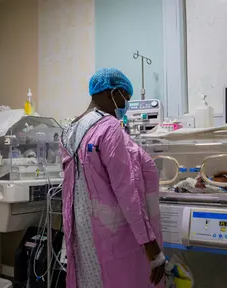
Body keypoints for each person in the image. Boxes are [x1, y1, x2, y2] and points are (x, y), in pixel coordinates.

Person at [59, 68, 164, 288]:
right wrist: (149, 243)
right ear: (111, 93)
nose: (124, 106)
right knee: (115, 277)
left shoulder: (68, 130)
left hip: (81, 232)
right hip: (110, 234)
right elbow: (127, 191)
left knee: (88, 280)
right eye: (125, 98)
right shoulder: (109, 127)